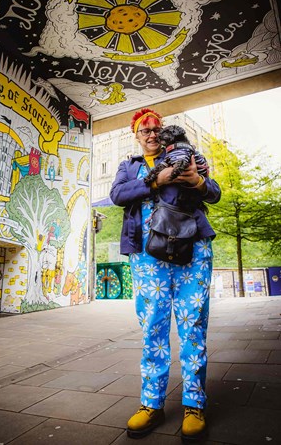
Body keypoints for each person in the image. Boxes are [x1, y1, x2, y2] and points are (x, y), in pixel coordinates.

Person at [110, 108, 221, 441]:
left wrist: (197, 182)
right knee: (153, 330)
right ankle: (151, 404)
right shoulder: (129, 166)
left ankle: (194, 405)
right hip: (147, 258)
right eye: (145, 130)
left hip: (193, 251)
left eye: (156, 128)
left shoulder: (187, 156)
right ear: (136, 135)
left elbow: (214, 193)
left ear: (165, 132)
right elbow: (117, 195)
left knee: (192, 326)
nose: (152, 134)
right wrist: (155, 180)